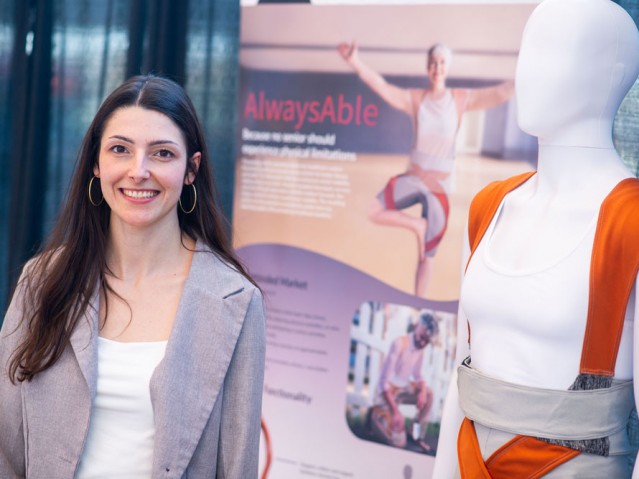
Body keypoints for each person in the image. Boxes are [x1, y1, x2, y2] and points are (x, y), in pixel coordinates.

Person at [0, 75, 266, 478]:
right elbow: (6, 448)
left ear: (191, 170)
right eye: (120, 149)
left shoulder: (236, 301)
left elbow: (238, 464)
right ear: (96, 162)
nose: (138, 171)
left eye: (161, 153)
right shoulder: (41, 281)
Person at [432, 0, 639, 477]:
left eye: (550, 50)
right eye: (526, 50)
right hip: (466, 461)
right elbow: (459, 376)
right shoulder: (490, 208)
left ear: (609, 72)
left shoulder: (629, 224)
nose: (527, 71)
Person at [337, 41, 514, 297]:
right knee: (373, 210)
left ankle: (417, 301)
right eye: (433, 62)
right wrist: (354, 61)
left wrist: (529, 73)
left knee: (426, 256)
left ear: (447, 67)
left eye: (442, 62)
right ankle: (416, 226)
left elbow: (500, 93)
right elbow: (383, 87)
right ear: (427, 67)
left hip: (439, 188)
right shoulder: (416, 99)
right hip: (414, 178)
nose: (437, 67)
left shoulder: (460, 99)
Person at [369, 311, 438, 451]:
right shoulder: (399, 343)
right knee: (398, 442)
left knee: (429, 394)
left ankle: (416, 434)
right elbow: (383, 383)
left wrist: (423, 391)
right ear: (417, 326)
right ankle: (373, 417)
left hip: (401, 390)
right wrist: (396, 412)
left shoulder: (420, 350)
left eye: (426, 341)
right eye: (421, 337)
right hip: (386, 395)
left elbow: (418, 375)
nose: (422, 342)